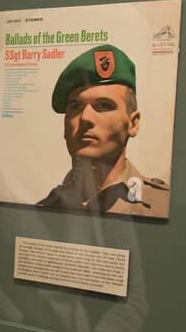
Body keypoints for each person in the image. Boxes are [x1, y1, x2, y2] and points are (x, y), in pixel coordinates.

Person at [36, 44, 169, 216]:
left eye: (104, 105)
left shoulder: (163, 205)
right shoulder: (44, 211)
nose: (85, 118)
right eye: (76, 107)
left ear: (133, 123)